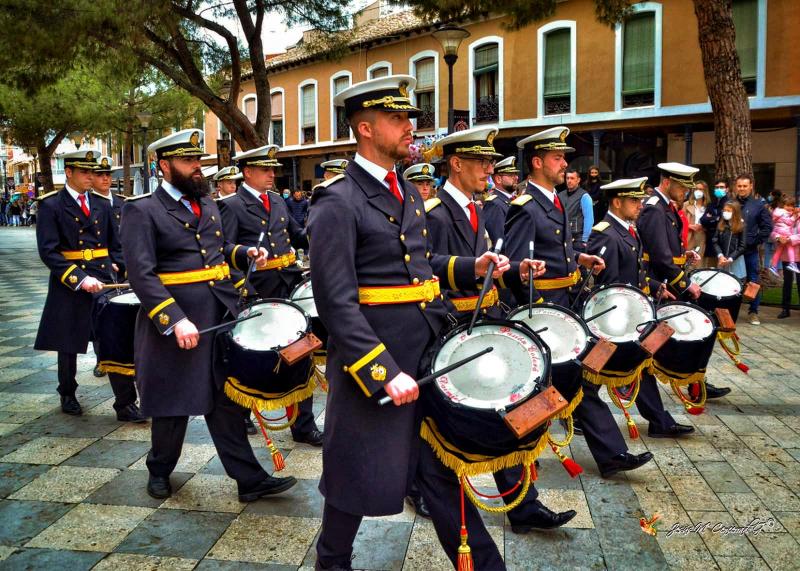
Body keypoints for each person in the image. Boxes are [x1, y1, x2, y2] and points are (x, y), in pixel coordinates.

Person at [309, 75, 509, 570]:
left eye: (410, 119)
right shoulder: (337, 201)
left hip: (423, 352)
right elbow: (335, 303)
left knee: (441, 468)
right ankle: (331, 561)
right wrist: (380, 370)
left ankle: (482, 564)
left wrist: (471, 267)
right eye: (397, 119)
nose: (409, 128)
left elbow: (419, 264)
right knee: (355, 470)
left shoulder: (409, 193)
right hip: (375, 360)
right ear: (364, 129)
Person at [121, 129, 297, 502]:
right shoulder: (142, 210)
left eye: (198, 160)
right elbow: (141, 274)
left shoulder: (208, 203)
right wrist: (172, 319)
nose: (197, 168)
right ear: (164, 166)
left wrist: (243, 253)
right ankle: (159, 469)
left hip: (219, 314)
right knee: (173, 401)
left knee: (225, 399)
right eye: (188, 162)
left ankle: (249, 479)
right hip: (177, 322)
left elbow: (215, 250)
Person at [425, 126, 575, 528]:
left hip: (485, 323)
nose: (490, 170)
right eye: (482, 162)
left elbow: (489, 267)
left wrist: (516, 271)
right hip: (451, 330)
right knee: (443, 421)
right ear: (456, 164)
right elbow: (422, 270)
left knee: (509, 406)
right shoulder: (435, 213)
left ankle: (524, 506)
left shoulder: (475, 207)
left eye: (492, 162)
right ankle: (418, 486)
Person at [504, 128, 654, 480]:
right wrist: (540, 308)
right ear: (538, 162)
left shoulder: (553, 200)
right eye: (558, 158)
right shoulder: (525, 207)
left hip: (563, 306)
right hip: (543, 313)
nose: (565, 164)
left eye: (564, 158)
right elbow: (514, 266)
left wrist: (580, 259)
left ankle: (611, 453)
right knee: (542, 389)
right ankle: (518, 456)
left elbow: (557, 248)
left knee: (578, 383)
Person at [218, 144, 321, 446]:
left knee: (302, 352)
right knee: (252, 357)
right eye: (265, 169)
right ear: (247, 172)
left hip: (287, 285)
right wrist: (243, 290)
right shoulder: (231, 205)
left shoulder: (277, 201)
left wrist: (322, 231)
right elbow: (224, 250)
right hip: (257, 289)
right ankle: (243, 414)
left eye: (273, 169)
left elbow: (296, 234)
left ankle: (304, 425)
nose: (272, 174)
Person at [588, 177, 694, 439]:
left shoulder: (626, 229)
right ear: (617, 202)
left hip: (633, 313)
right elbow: (608, 283)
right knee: (590, 375)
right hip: (616, 319)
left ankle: (659, 420)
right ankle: (580, 414)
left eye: (639, 199)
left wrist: (654, 285)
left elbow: (636, 272)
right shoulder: (606, 233)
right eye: (634, 200)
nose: (640, 205)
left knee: (642, 364)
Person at [34, 150, 124, 415]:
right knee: (68, 341)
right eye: (84, 172)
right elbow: (49, 252)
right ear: (69, 173)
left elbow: (114, 244)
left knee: (114, 337)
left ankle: (125, 400)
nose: (90, 177)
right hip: (70, 282)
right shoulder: (51, 205)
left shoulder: (101, 204)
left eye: (92, 172)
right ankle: (67, 392)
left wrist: (118, 267)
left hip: (104, 278)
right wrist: (79, 279)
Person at [638, 162, 731, 400]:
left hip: (669, 279)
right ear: (667, 182)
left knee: (699, 329)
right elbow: (658, 256)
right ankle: (691, 383)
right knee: (654, 345)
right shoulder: (654, 209)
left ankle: (696, 381)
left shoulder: (665, 207)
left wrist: (683, 255)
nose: (686, 192)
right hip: (661, 283)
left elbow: (665, 247)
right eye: (682, 187)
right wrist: (685, 284)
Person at [89, 155, 146, 422]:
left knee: (138, 341)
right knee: (113, 337)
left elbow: (127, 242)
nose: (104, 179)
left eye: (107, 175)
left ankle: (144, 398)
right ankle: (124, 402)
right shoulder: (89, 205)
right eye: (99, 175)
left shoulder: (124, 204)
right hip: (101, 278)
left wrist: (130, 266)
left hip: (131, 276)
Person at [734, 173, 773, 325]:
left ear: (751, 186)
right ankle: (732, 310)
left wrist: (754, 241)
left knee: (753, 281)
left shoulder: (758, 205)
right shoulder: (730, 203)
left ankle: (753, 311)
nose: (742, 189)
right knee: (733, 281)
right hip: (733, 251)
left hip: (750, 251)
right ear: (735, 187)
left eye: (745, 186)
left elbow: (767, 227)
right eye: (739, 186)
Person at [482, 155, 518, 245]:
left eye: (515, 174)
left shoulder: (512, 200)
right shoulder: (494, 204)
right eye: (511, 175)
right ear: (498, 179)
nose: (516, 177)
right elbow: (500, 240)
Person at [558, 167, 593, 253]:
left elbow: (589, 219)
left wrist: (585, 240)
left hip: (578, 240)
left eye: (572, 178)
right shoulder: (560, 195)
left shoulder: (584, 196)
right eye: (567, 178)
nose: (569, 181)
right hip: (562, 239)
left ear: (578, 180)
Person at [713, 200, 747, 279]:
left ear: (735, 212)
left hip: (735, 260)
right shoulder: (721, 224)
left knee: (735, 283)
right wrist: (720, 255)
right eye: (724, 210)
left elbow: (742, 246)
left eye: (728, 211)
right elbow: (715, 241)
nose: (725, 212)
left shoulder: (741, 226)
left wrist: (731, 258)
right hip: (722, 260)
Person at [700, 178, 730, 267]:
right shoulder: (711, 204)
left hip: (724, 241)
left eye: (722, 187)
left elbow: (725, 220)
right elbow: (703, 220)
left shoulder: (730, 204)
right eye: (717, 187)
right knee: (710, 268)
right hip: (711, 241)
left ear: (727, 189)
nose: (719, 189)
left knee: (723, 270)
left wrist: (711, 218)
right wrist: (716, 218)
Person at [769, 195, 799, 276]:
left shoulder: (778, 213)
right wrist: (794, 216)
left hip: (780, 233)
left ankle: (773, 266)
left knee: (779, 250)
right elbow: (789, 222)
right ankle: (792, 263)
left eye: (792, 206)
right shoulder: (784, 214)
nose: (790, 208)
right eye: (788, 205)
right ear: (783, 205)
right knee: (790, 247)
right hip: (785, 233)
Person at [685, 179, 710, 259]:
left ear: (705, 191)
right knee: (688, 263)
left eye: (700, 189)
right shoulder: (686, 205)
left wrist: (704, 227)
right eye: (696, 189)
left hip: (702, 237)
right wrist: (690, 226)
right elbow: (679, 221)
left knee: (700, 262)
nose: (698, 191)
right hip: (689, 236)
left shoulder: (709, 206)